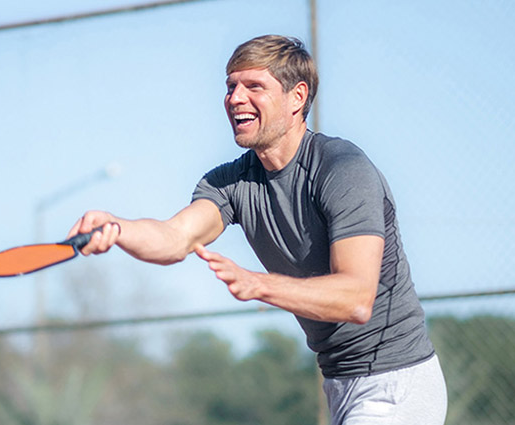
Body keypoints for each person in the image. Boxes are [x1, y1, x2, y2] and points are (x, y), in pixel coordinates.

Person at [67, 35, 447, 424]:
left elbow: (356, 298)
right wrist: (119, 228)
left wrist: (259, 284)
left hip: (397, 382)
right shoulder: (231, 182)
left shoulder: (342, 169)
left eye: (254, 86)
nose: (235, 98)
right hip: (338, 381)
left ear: (297, 97)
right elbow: (175, 238)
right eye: (230, 86)